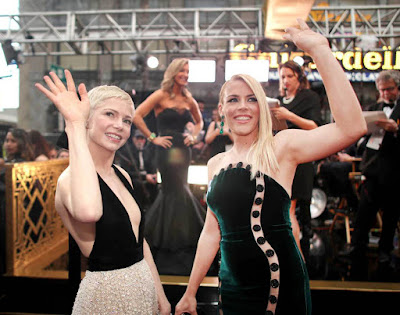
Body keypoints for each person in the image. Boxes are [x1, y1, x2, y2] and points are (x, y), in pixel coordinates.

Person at [174, 18, 366, 315]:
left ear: (262, 108)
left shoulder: (281, 147)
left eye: (252, 99)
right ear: (221, 111)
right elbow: (212, 232)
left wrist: (320, 51)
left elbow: (352, 127)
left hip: (278, 287)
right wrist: (190, 292)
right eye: (233, 100)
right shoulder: (216, 164)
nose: (242, 106)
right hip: (231, 289)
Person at [35, 70, 170, 314]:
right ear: (87, 117)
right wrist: (75, 124)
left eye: (127, 120)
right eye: (110, 114)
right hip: (107, 298)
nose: (119, 125)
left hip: (143, 291)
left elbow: (139, 242)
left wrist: (159, 293)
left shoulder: (122, 174)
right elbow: (89, 212)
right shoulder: (69, 180)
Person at [132, 58, 206, 276]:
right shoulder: (160, 95)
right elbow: (136, 116)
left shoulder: (189, 99)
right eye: (182, 70)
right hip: (164, 150)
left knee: (182, 188)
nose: (186, 74)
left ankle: (182, 238)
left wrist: (193, 137)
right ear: (173, 72)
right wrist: (152, 138)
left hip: (183, 151)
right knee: (171, 190)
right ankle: (167, 239)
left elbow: (200, 122)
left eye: (188, 71)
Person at [349, 69, 400, 281]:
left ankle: (384, 254)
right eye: (382, 90)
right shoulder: (374, 108)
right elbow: (359, 141)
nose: (386, 94)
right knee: (363, 216)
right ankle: (356, 252)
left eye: (389, 89)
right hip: (372, 170)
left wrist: (395, 129)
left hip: (395, 172)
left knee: (390, 217)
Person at [271, 60, 322, 263]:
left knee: (289, 208)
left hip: (300, 158)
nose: (285, 81)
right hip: (279, 157)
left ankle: (297, 259)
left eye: (289, 76)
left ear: (299, 78)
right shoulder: (279, 101)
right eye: (282, 77)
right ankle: (289, 256)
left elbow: (315, 126)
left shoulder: (309, 97)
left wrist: (289, 115)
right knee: (282, 208)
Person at [115, 128, 158, 211]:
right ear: (133, 139)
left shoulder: (147, 152)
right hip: (134, 179)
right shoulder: (127, 153)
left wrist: (154, 175)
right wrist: (145, 177)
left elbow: (152, 167)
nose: (140, 141)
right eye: (138, 138)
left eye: (142, 139)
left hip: (148, 179)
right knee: (137, 185)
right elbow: (127, 172)